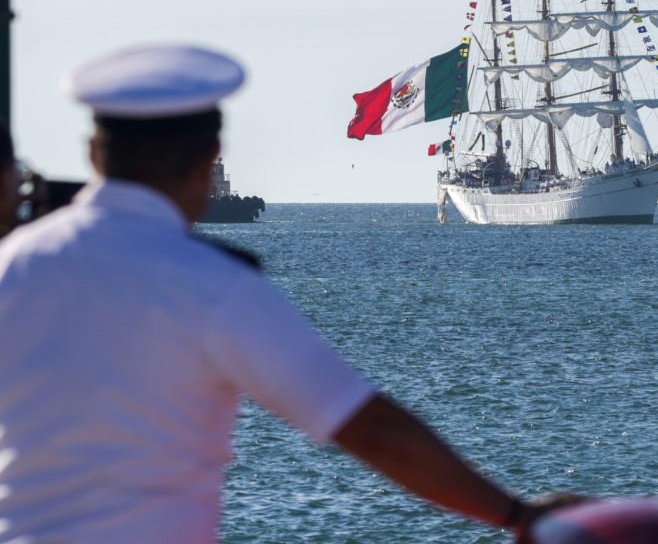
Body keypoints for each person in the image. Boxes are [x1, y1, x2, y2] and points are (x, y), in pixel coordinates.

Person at [0, 44, 575, 543]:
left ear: (93, 153)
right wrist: (516, 515)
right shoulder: (212, 285)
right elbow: (370, 430)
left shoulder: (12, 262)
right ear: (210, 158)